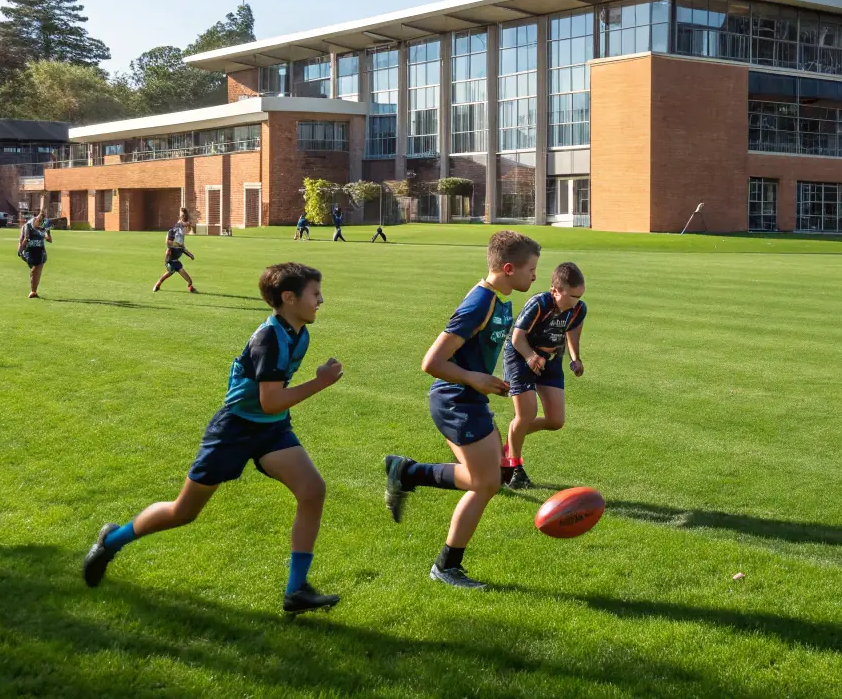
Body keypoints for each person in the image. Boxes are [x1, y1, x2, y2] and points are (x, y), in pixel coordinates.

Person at [83, 263, 345, 614]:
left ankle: (296, 591)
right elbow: (269, 401)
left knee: (313, 490)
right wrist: (321, 382)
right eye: (315, 294)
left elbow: (271, 407)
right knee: (183, 512)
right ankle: (111, 540)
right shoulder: (268, 338)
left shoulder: (300, 333)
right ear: (289, 298)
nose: (320, 300)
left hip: (271, 429)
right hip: (234, 430)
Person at [381, 231, 540, 589]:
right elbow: (432, 361)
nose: (534, 276)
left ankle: (406, 472)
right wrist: (475, 379)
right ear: (509, 268)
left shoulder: (503, 298)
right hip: (455, 399)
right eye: (531, 269)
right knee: (485, 483)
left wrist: (488, 380)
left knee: (492, 477)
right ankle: (446, 566)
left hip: (470, 397)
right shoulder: (479, 303)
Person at [501, 261, 587, 489]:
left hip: (550, 360)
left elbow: (572, 333)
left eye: (580, 296)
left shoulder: (578, 308)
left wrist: (575, 358)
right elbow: (516, 338)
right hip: (521, 355)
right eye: (572, 296)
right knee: (527, 413)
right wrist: (530, 357)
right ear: (555, 291)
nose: (576, 302)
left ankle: (510, 440)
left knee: (556, 420)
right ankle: (513, 466)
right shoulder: (539, 304)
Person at [153, 217, 197, 293]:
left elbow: (182, 248)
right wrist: (178, 246)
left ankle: (191, 289)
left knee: (186, 279)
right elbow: (168, 242)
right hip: (170, 259)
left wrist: (190, 254)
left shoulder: (181, 235)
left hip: (176, 261)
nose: (186, 227)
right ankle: (157, 285)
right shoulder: (172, 231)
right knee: (172, 272)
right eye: (185, 225)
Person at [17, 212, 52, 299]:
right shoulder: (28, 226)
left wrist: (47, 233)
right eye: (39, 222)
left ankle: (33, 291)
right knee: (34, 271)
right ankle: (33, 291)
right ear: (35, 220)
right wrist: (20, 250)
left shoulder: (44, 226)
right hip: (30, 251)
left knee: (36, 271)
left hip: (40, 251)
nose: (40, 224)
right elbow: (24, 239)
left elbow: (49, 239)